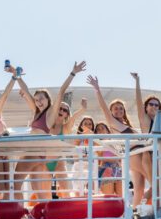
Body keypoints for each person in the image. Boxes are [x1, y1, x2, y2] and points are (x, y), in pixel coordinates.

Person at [13, 61, 87, 202]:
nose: (39, 101)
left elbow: (61, 91)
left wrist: (73, 73)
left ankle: (23, 212)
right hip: (32, 152)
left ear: (48, 100)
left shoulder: (51, 113)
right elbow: (26, 91)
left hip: (38, 152)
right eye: (36, 100)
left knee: (18, 182)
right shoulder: (36, 112)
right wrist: (17, 77)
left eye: (41, 98)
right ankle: (33, 212)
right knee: (32, 188)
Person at [86, 75, 146, 205]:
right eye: (115, 108)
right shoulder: (113, 123)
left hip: (136, 155)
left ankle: (134, 212)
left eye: (121, 108)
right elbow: (103, 107)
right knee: (154, 180)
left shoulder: (127, 125)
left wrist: (137, 82)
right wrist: (97, 89)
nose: (118, 110)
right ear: (111, 112)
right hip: (134, 156)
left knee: (139, 189)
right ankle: (150, 209)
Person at [48, 98, 87, 197]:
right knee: (45, 192)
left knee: (66, 190)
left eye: (65, 110)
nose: (61, 111)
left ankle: (67, 211)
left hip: (59, 161)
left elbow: (74, 117)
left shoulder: (65, 128)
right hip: (44, 161)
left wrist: (83, 109)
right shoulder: (46, 124)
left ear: (66, 114)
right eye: (59, 108)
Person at [94, 122, 122, 196]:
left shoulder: (115, 143)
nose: (101, 131)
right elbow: (102, 158)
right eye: (98, 130)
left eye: (102, 128)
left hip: (118, 170)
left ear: (108, 131)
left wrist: (116, 159)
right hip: (106, 170)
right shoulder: (97, 143)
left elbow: (120, 157)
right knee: (108, 197)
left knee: (121, 198)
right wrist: (115, 159)